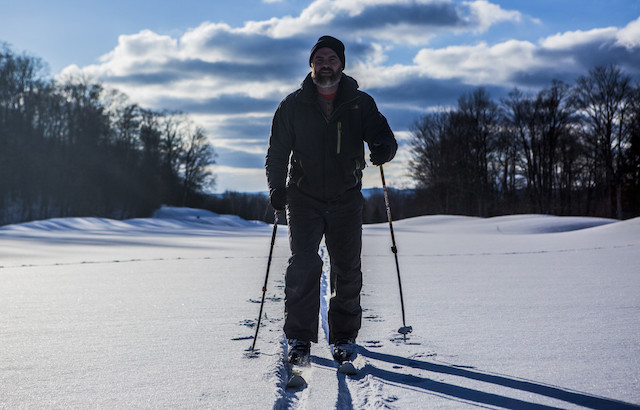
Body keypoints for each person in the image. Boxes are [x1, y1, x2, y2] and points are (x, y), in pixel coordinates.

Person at [265, 35, 397, 366]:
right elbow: (277, 153)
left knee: (348, 269)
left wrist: (383, 149)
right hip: (303, 197)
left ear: (342, 64)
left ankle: (344, 338)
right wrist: (276, 189)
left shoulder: (359, 103)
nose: (326, 64)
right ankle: (298, 337)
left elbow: (384, 137)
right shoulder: (292, 105)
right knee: (304, 264)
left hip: (346, 198)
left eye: (332, 59)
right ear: (311, 65)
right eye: (320, 59)